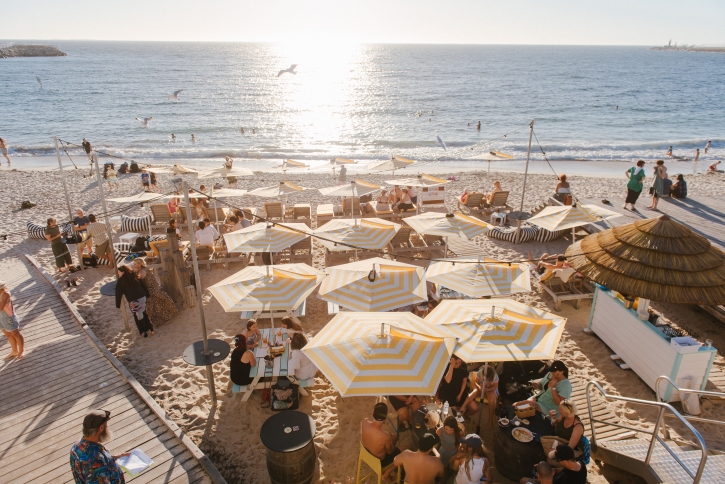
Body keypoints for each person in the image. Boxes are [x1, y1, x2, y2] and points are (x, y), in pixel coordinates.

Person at [70, 409, 128, 484]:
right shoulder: (96, 460)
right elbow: (95, 465)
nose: (108, 426)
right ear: (101, 428)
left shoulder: (77, 446)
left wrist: (116, 457)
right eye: (107, 424)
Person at [132, 258, 178, 326]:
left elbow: (139, 281)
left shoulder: (143, 272)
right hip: (152, 288)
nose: (134, 265)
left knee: (153, 304)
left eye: (135, 264)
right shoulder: (142, 269)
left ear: (139, 264)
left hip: (151, 289)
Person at [361, 402, 400, 481]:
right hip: (379, 462)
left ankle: (387, 473)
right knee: (405, 449)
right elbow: (390, 452)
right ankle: (387, 474)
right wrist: (392, 440)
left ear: (373, 415)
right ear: (385, 419)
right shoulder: (385, 436)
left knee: (392, 439)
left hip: (366, 455)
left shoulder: (364, 422)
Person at [115, 265, 153, 337]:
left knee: (137, 316)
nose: (118, 273)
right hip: (142, 297)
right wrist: (147, 295)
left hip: (133, 301)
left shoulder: (121, 281)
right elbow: (143, 285)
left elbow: (118, 293)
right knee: (143, 313)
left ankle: (143, 331)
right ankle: (151, 328)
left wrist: (117, 304)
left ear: (123, 272)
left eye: (119, 272)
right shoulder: (135, 275)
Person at [543, 400, 584, 465]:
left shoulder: (577, 427)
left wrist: (552, 453)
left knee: (548, 458)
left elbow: (569, 449)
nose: (558, 410)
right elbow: (558, 426)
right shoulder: (563, 417)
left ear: (567, 412)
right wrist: (553, 419)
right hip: (558, 443)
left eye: (560, 409)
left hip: (567, 451)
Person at [0, 281, 24, 360]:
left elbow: (1, 307)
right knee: (8, 335)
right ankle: (14, 351)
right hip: (1, 318)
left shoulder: (6, 294)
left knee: (16, 335)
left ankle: (21, 350)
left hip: (8, 318)